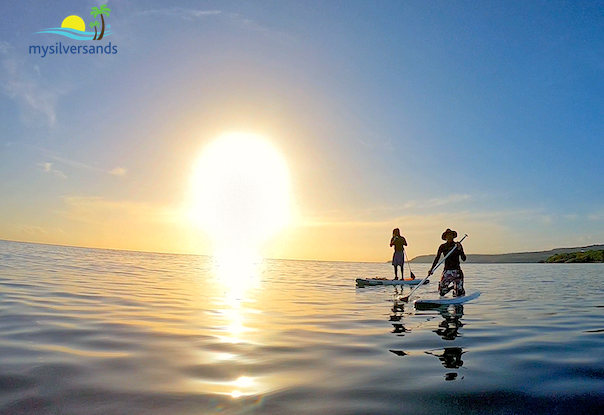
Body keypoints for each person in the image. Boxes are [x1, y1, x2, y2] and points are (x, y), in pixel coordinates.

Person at [428, 228, 466, 297]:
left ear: (453, 236)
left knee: (459, 294)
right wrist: (431, 269)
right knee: (442, 292)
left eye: (450, 235)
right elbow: (437, 258)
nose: (449, 237)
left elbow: (464, 258)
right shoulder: (442, 247)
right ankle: (452, 287)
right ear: (445, 237)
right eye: (447, 235)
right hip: (447, 271)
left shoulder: (457, 245)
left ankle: (458, 289)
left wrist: (460, 250)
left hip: (457, 271)